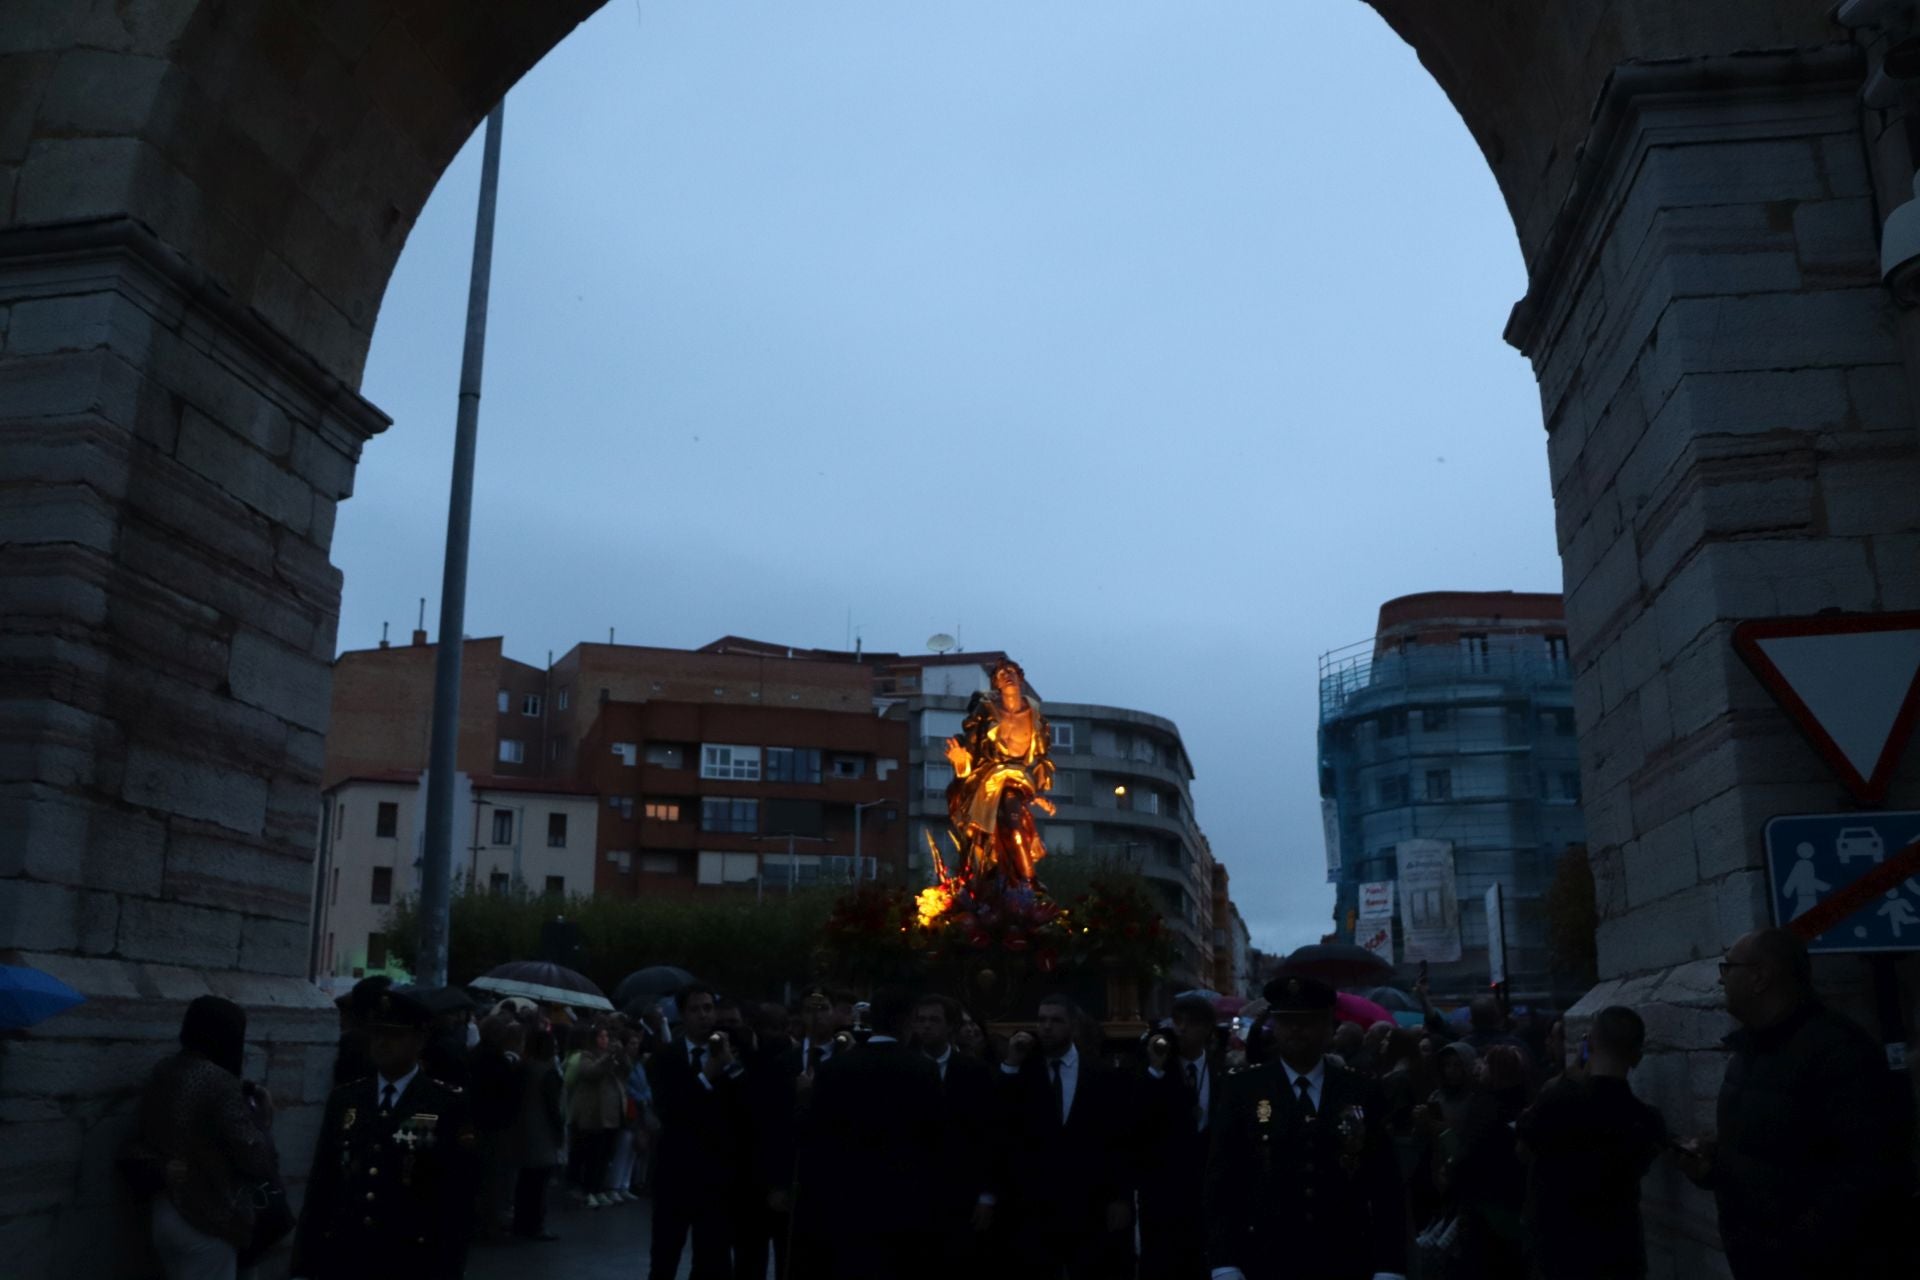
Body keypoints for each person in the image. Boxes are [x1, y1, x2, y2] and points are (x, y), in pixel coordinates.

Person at [1675, 927, 1916, 1279]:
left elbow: (1869, 1177)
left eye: (1728, 968)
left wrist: (1791, 1248)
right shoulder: (1747, 1053)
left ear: (1760, 977)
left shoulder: (1840, 1052)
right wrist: (1712, 1166)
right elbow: (1767, 1158)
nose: (1721, 980)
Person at [1205, 974, 1407, 1280]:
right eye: (1286, 1021)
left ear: (1329, 1027)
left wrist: (1389, 1267)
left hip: (1345, 1256)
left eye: (1307, 1021)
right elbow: (1223, 1179)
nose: (1296, 1029)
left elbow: (1384, 1182)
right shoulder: (1243, 1089)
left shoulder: (1360, 1090)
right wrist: (1225, 1263)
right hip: (1265, 1256)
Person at [290, 986, 477, 1280]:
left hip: (409, 1257)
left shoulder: (442, 1103)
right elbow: (322, 1183)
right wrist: (304, 1264)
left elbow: (456, 1197)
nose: (382, 1044)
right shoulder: (348, 1099)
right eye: (377, 1034)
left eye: (394, 1035)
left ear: (419, 1040)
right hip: (346, 1255)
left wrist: (449, 1267)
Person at [794, 985, 946, 1279]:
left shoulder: (835, 1068)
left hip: (847, 1201)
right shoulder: (922, 1069)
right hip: (905, 1201)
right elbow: (935, 1137)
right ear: (906, 1021)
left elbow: (815, 1134)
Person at [136, 995, 280, 1280]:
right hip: (207, 1218)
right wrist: (263, 1122)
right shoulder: (220, 1084)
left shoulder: (164, 1070)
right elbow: (254, 1157)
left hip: (166, 1208)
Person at [1517, 1006, 1666, 1280]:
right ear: (1637, 1056)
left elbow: (1524, 1145)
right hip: (1619, 1256)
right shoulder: (1646, 1121)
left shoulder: (1557, 1102)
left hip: (1558, 1254)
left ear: (1590, 1044)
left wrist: (1565, 1078)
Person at [997, 993, 1136, 1280]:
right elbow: (1000, 1123)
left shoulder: (1101, 1075)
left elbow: (1119, 1139)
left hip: (1089, 1203)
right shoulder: (1024, 1071)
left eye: (1056, 1020)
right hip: (1034, 1205)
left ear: (1072, 1025)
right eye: (1042, 1020)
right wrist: (1011, 1063)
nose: (1047, 1027)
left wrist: (1120, 1196)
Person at [648, 982, 744, 1280]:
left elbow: (742, 1106)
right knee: (664, 1256)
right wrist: (706, 1076)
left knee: (712, 1259)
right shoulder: (666, 1057)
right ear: (682, 1015)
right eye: (695, 1009)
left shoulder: (730, 1051)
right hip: (674, 1173)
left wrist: (731, 1067)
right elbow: (671, 1110)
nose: (704, 1015)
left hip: (715, 1175)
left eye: (708, 1008)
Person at [914, 993, 1000, 1279]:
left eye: (934, 1020)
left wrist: (987, 1194)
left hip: (961, 1191)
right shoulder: (906, 1067)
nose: (926, 1027)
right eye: (921, 1020)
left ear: (950, 1027)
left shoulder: (974, 1072)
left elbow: (989, 1134)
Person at [1138, 992, 1221, 1280]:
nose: (1182, 1029)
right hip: (1164, 1192)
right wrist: (1155, 1070)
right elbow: (1140, 1120)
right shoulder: (1157, 1066)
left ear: (1208, 1029)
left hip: (1204, 1193)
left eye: (1191, 1023)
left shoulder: (1219, 1070)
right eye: (1177, 1021)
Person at [467, 1014, 524, 1239]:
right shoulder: (497, 1061)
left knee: (483, 1175)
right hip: (495, 1123)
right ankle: (490, 1222)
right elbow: (509, 1094)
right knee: (493, 1176)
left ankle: (481, 1219)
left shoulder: (475, 1055)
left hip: (480, 1120)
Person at [510, 1026, 564, 1243]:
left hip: (523, 1128)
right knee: (539, 1183)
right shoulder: (547, 1072)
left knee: (525, 1181)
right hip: (542, 1131)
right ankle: (535, 1225)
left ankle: (521, 1223)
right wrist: (559, 1131)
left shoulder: (522, 1068)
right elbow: (553, 1108)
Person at [564, 1022, 625, 1208]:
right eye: (601, 1037)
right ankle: (588, 1189)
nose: (604, 1040)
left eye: (606, 1037)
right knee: (592, 1155)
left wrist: (620, 1054)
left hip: (610, 1113)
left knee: (605, 1154)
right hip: (593, 1113)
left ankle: (599, 1188)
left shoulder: (611, 1057)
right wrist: (608, 1057)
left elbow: (625, 1070)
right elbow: (591, 1072)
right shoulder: (586, 1056)